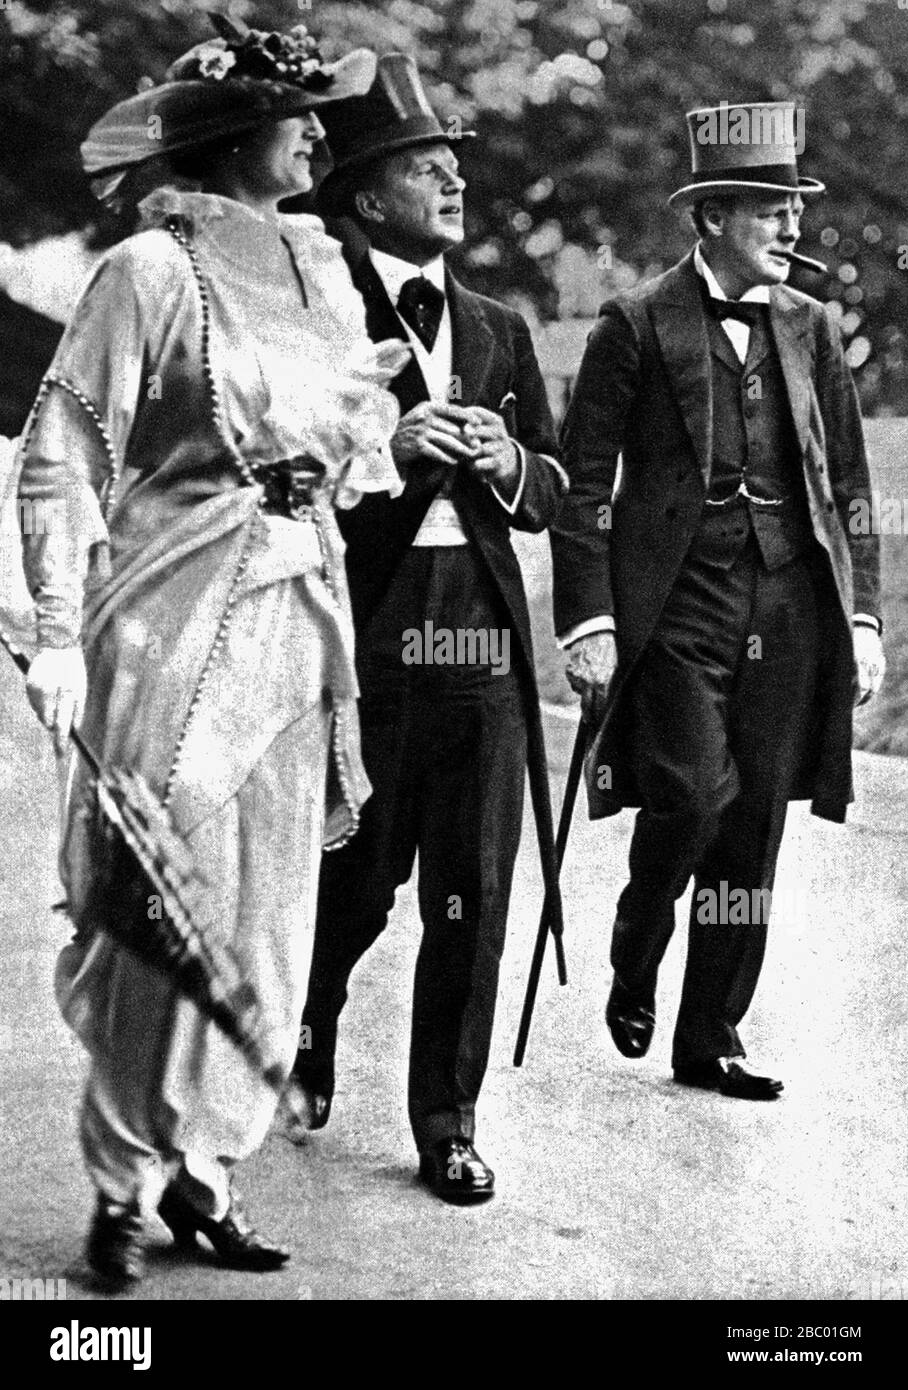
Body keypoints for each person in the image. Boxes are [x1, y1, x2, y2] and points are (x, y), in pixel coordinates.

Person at [17, 17, 408, 1288]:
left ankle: (208, 1171)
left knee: (268, 914)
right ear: (238, 134)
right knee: (156, 904)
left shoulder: (324, 269)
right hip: (169, 623)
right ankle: (122, 1185)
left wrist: (408, 438)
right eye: (298, 115)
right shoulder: (146, 267)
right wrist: (58, 631)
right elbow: (64, 448)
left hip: (299, 628)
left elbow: (350, 451)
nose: (318, 133)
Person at [551, 102, 885, 1100]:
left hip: (785, 606)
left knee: (753, 831)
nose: (790, 229)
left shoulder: (811, 328)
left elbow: (854, 488)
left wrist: (863, 616)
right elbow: (580, 483)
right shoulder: (635, 324)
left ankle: (711, 1034)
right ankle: (638, 930)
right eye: (768, 212)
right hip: (679, 606)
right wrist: (590, 618)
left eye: (792, 210)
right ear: (710, 219)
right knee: (694, 792)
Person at [291, 54, 567, 1203]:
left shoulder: (500, 326)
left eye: (456, 165)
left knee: (476, 886)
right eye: (423, 166)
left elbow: (560, 486)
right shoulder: (313, 307)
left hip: (488, 639)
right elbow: (279, 468)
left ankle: (447, 1121)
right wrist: (389, 457)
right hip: (371, 627)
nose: (453, 182)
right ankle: (309, 1008)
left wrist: (512, 463)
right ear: (364, 196)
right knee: (356, 878)